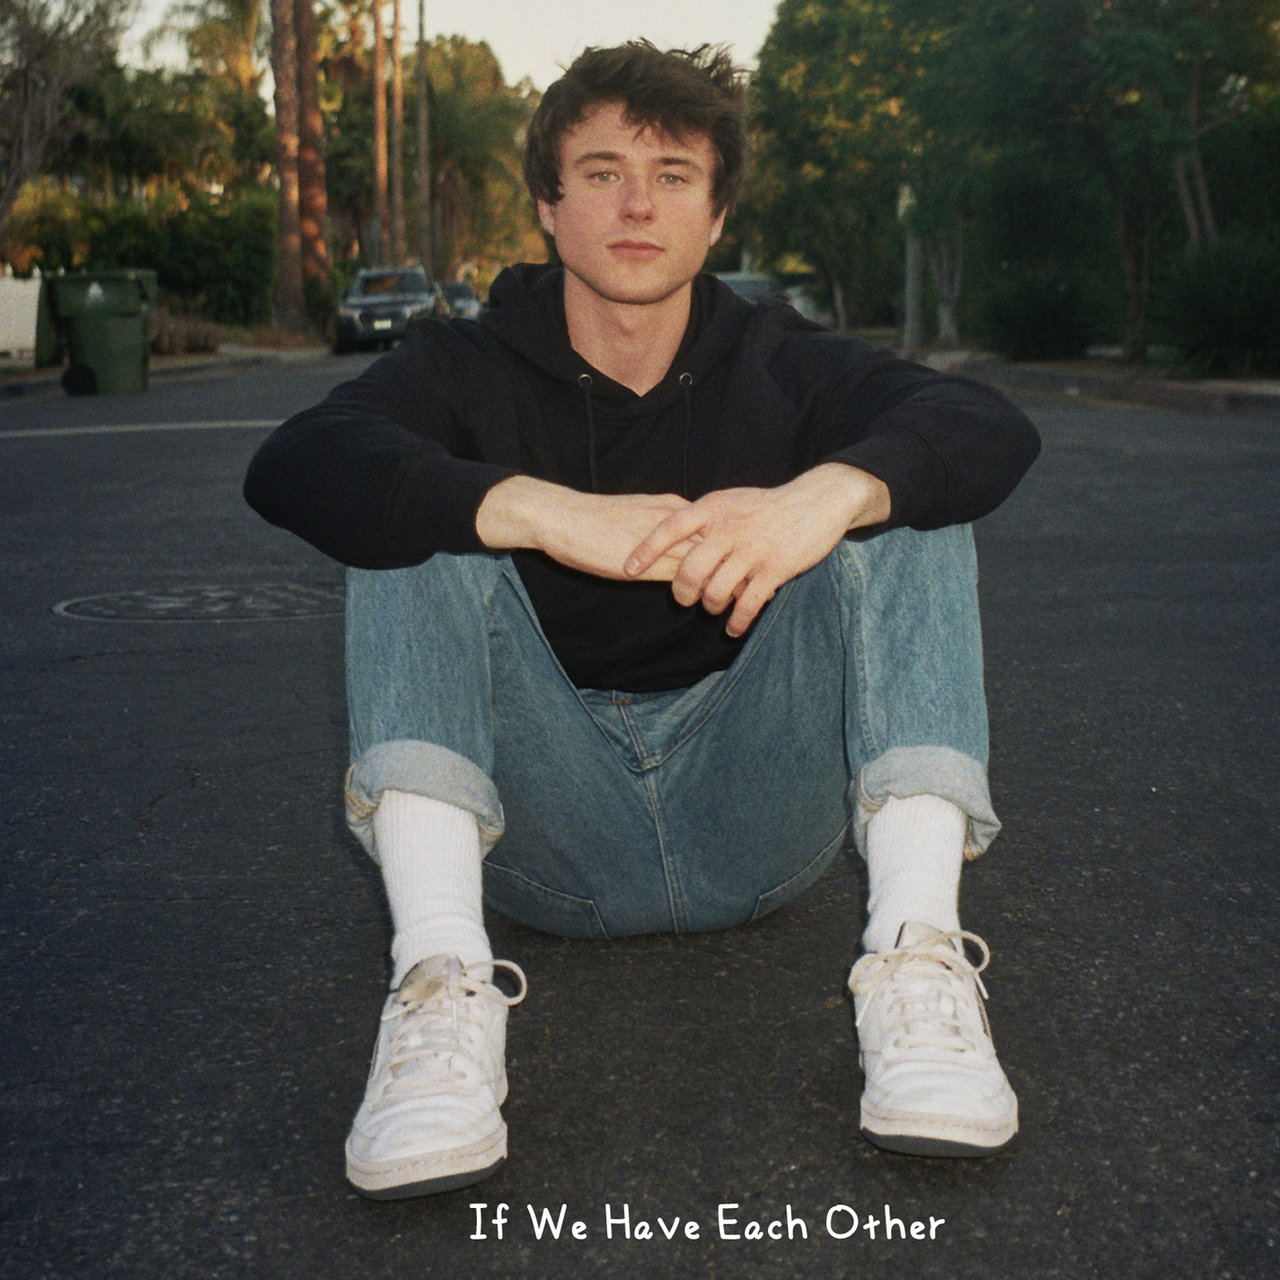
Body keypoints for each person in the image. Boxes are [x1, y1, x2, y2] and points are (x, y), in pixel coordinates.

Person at [244, 41, 1040, 1200]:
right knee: (414, 515)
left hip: (755, 813)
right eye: (602, 171)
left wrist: (819, 496)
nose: (635, 204)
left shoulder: (778, 358)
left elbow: (985, 425)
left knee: (900, 499)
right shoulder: (462, 363)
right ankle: (439, 984)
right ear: (547, 205)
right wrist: (534, 508)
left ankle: (916, 964)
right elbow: (296, 462)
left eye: (671, 176)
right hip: (543, 834)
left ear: (713, 216)